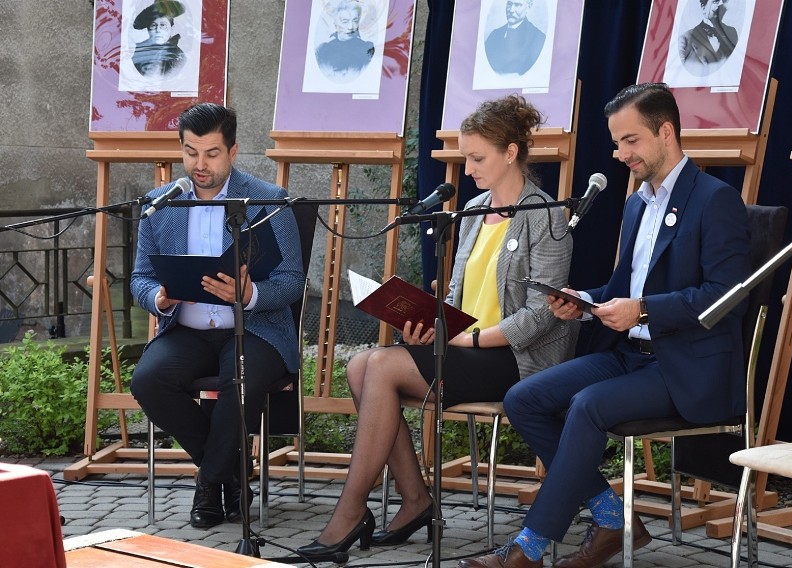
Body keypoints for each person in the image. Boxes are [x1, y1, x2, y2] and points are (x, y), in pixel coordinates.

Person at [460, 82, 751, 568]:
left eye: (630, 141)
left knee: (588, 405)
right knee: (524, 398)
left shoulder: (714, 199)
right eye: (616, 142)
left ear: (666, 132)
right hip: (627, 355)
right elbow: (621, 282)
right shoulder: (637, 202)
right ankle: (613, 517)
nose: (620, 154)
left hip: (682, 366)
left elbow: (726, 297)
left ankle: (528, 549)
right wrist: (584, 298)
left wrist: (643, 310)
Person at [296, 94, 579, 561]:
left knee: (380, 367)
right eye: (466, 157)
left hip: (516, 359)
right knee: (361, 366)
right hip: (466, 345)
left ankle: (350, 515)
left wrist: (467, 338)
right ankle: (415, 499)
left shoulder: (545, 216)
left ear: (510, 153)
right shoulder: (474, 210)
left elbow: (539, 315)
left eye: (477, 157)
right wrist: (427, 322)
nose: (467, 169)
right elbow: (455, 298)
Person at [130, 103, 305, 529]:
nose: (199, 164)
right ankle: (232, 473)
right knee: (148, 381)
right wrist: (160, 296)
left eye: (211, 153)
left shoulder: (269, 201)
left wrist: (250, 294)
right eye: (190, 152)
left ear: (232, 151)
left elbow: (292, 281)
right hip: (186, 329)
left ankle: (209, 484)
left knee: (238, 378)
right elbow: (139, 278)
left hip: (254, 328)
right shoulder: (158, 204)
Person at [315, 0, 375, 79]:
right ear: (336, 24)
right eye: (345, 21)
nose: (350, 27)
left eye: (355, 21)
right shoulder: (323, 51)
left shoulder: (367, 49)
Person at [484, 0, 546, 75]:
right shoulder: (494, 35)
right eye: (509, 4)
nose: (511, 10)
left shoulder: (538, 38)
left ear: (529, 6)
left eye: (518, 5)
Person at [678, 0, 738, 76]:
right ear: (703, 8)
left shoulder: (731, 33)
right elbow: (682, 75)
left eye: (724, 1)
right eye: (716, 1)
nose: (721, 4)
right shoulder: (685, 39)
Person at [131, 0, 187, 78]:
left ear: (171, 28)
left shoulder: (178, 57)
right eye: (153, 25)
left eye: (163, 25)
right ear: (148, 29)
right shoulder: (139, 51)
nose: (158, 30)